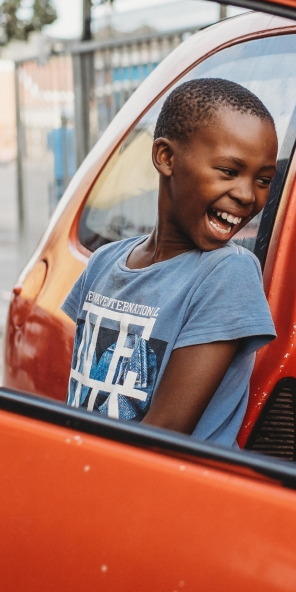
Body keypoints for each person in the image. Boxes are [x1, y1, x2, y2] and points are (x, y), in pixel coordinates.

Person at [61, 78, 278, 447]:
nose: (247, 195)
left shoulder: (228, 273)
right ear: (166, 157)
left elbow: (164, 433)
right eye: (228, 171)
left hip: (169, 495)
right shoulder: (103, 262)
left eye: (263, 180)